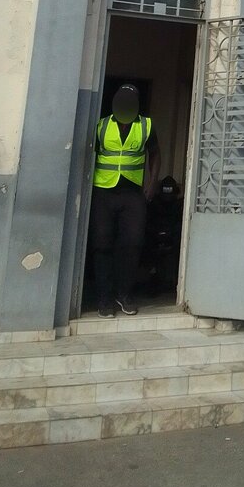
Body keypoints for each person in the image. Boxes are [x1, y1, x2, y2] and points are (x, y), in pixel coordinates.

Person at [89, 83, 160, 318]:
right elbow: (89, 154)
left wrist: (152, 184)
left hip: (133, 194)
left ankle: (124, 294)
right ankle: (104, 298)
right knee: (102, 244)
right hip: (104, 192)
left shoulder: (145, 125)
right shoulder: (101, 125)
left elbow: (155, 154)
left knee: (132, 243)